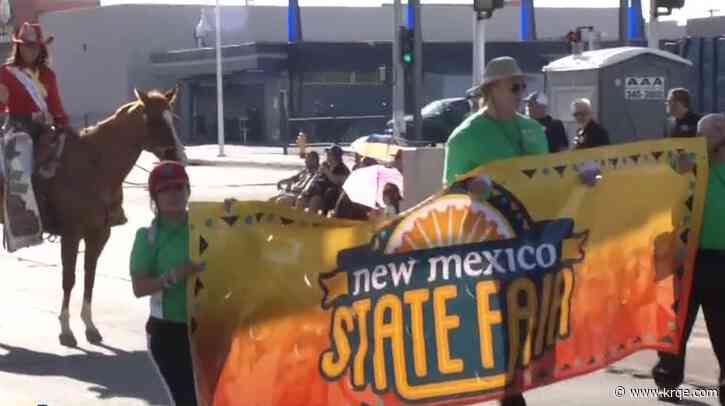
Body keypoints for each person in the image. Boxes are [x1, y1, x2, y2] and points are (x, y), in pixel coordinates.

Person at [0, 22, 125, 228]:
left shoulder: (48, 75)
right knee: (20, 162)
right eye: (24, 45)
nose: (28, 50)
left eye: (33, 46)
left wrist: (64, 125)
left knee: (74, 156)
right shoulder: (6, 72)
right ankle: (22, 217)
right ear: (18, 47)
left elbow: (56, 106)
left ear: (40, 48)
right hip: (18, 128)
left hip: (43, 129)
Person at [651, 113, 725, 405]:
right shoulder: (686, 165)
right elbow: (656, 174)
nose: (718, 132)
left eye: (721, 127)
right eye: (711, 129)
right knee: (676, 323)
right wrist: (677, 168)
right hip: (687, 260)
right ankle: (668, 381)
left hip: (721, 262)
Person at [130, 161, 204, 406]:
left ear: (188, 191)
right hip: (169, 332)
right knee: (187, 401)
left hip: (208, 329)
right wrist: (173, 276)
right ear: (154, 197)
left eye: (179, 187)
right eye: (165, 189)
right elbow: (139, 288)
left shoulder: (206, 227)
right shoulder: (148, 238)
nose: (173, 194)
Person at [302, 145, 349, 214]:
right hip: (317, 191)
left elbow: (337, 181)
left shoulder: (343, 169)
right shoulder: (325, 164)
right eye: (327, 153)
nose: (327, 155)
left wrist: (326, 171)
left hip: (330, 196)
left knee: (315, 201)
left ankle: (311, 221)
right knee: (302, 199)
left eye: (329, 153)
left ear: (334, 156)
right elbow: (316, 177)